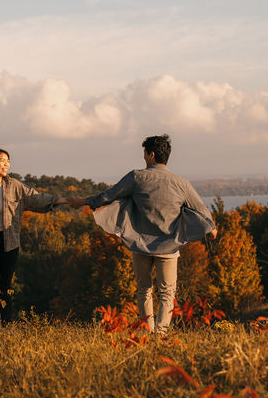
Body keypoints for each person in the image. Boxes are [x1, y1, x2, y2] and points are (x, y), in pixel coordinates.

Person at [69, 134, 217, 332]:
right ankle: (161, 334)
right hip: (169, 247)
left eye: (145, 153)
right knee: (167, 293)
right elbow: (201, 210)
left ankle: (147, 331)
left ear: (151, 154)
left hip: (140, 245)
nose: (144, 157)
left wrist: (84, 201)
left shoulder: (137, 177)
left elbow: (108, 196)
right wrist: (211, 229)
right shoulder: (181, 183)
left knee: (144, 290)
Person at [0, 148, 72, 325]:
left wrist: (63, 200)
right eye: (2, 160)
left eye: (8, 161)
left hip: (9, 241)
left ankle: (6, 324)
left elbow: (36, 198)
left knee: (5, 285)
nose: (7, 164)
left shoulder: (14, 186)